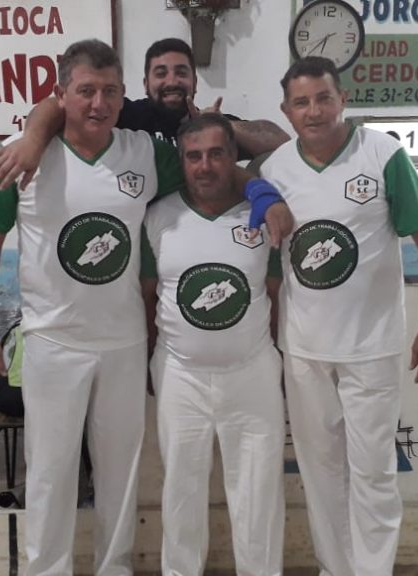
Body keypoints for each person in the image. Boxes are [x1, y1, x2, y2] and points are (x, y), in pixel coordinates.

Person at [0, 39, 286, 576]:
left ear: (123, 95)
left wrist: (262, 193)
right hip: (51, 341)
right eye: (85, 91)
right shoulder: (22, 157)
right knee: (49, 474)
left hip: (124, 343)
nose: (99, 103)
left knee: (120, 475)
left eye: (109, 91)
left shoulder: (144, 152)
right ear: (61, 94)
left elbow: (214, 166)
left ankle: (114, 567)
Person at [260, 57, 418, 576]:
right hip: (304, 349)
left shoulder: (383, 154)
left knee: (373, 474)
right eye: (301, 102)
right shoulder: (274, 170)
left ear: (342, 100)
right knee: (321, 474)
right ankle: (335, 568)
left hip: (372, 346)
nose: (314, 111)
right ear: (286, 111)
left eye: (324, 98)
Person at [141, 114, 285, 576]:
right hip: (180, 374)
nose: (205, 166)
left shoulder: (264, 215)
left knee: (259, 495)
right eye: (194, 156)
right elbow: (147, 297)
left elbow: (277, 295)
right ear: (182, 161)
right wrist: (151, 361)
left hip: (253, 373)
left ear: (233, 157)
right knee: (181, 494)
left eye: (216, 154)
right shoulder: (158, 216)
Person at [0, 38, 289, 194]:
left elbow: (279, 142)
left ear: (194, 82)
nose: (172, 81)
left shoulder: (214, 126)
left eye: (181, 73)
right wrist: (32, 141)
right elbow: (55, 106)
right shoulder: (125, 113)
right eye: (161, 73)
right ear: (145, 83)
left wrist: (220, 126)